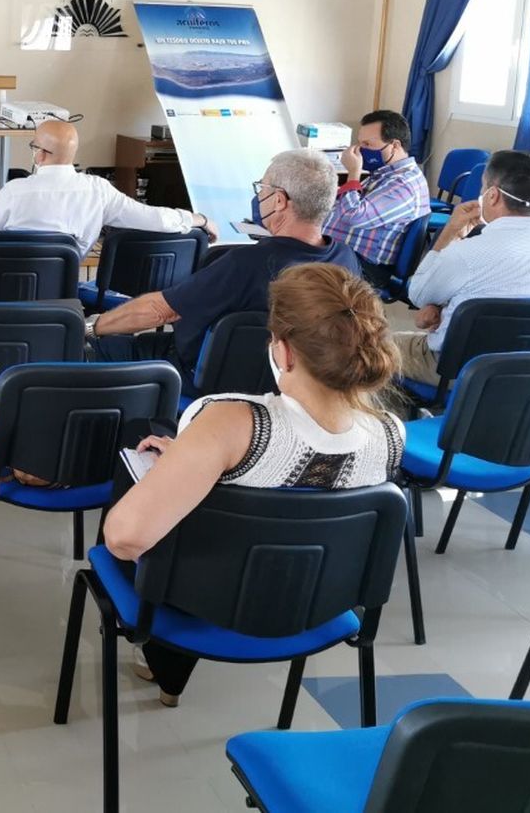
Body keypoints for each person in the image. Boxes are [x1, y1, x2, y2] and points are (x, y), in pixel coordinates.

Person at [103, 262, 404, 707]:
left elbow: (124, 539)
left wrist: (187, 461)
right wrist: (190, 458)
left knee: (142, 448)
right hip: (314, 605)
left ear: (284, 351)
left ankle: (166, 671)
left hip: (203, 602)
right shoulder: (391, 433)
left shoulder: (231, 420)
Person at [90, 149, 358, 390]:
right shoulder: (346, 261)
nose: (258, 196)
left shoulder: (247, 263)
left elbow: (161, 310)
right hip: (292, 385)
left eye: (262, 188)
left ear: (279, 201)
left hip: (202, 375)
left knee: (95, 351)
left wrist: (92, 327)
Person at [393, 149, 530, 385]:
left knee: (367, 347)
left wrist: (451, 232)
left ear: (492, 195)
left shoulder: (466, 254)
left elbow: (418, 294)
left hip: (461, 372)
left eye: (483, 187)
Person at [0, 118, 215, 254]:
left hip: (4, 290)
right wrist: (199, 219)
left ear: (39, 154)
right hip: (63, 295)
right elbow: (154, 219)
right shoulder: (99, 190)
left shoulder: (13, 191)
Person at [322, 109, 431, 287]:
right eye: (360, 143)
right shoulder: (385, 174)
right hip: (342, 254)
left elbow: (352, 216)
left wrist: (354, 173)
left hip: (363, 267)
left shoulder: (403, 184)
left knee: (287, 264)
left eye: (367, 144)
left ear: (394, 146)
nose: (360, 150)